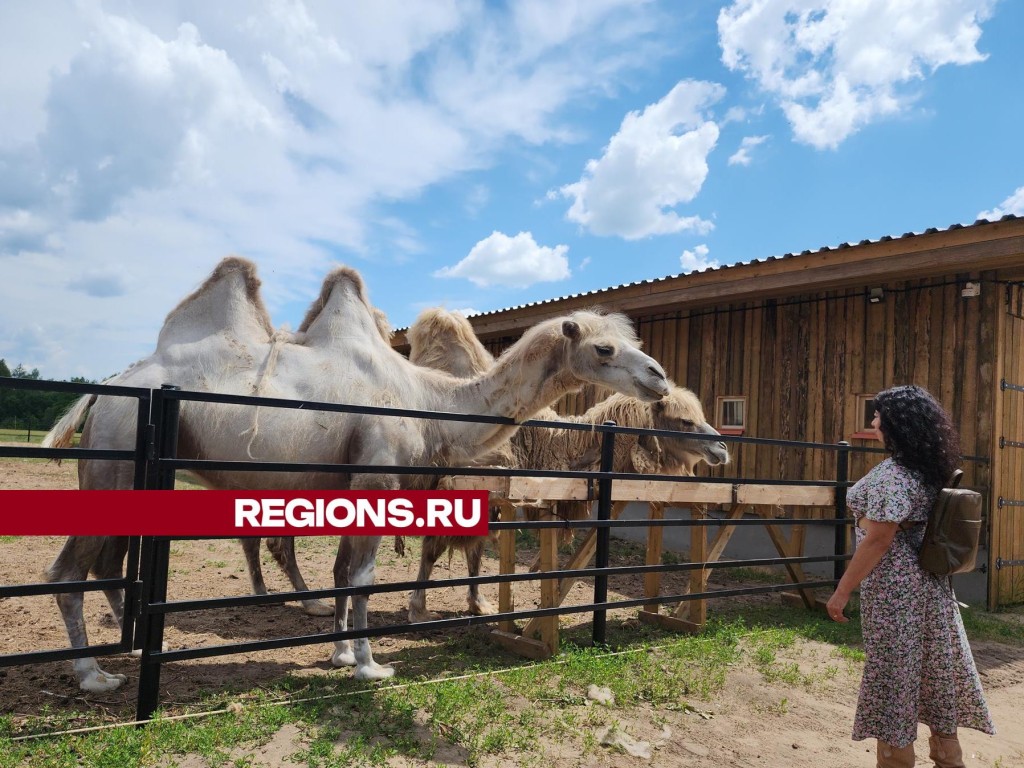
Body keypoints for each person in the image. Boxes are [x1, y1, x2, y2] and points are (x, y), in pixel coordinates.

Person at [826, 385, 994, 768]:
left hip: (894, 589)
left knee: (893, 675)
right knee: (934, 672)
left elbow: (878, 540)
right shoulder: (928, 467)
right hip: (931, 587)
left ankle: (895, 760)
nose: (873, 422)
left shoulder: (895, 475)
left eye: (878, 416)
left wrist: (841, 590)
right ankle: (948, 760)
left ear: (897, 423)